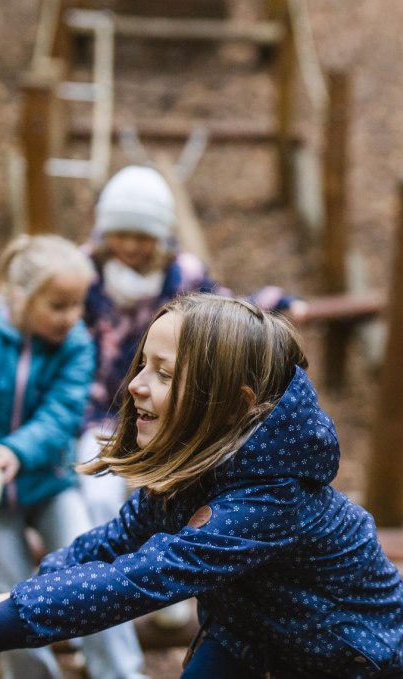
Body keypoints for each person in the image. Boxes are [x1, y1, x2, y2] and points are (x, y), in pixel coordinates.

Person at [0, 294, 403, 678]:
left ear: (231, 403)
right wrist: (24, 596)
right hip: (248, 630)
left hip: (349, 656)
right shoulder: (199, 460)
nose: (135, 384)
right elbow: (118, 542)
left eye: (164, 373)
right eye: (144, 365)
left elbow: (137, 579)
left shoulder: (268, 500)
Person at [0, 234, 147, 679]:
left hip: (51, 486)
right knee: (0, 597)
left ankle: (120, 671)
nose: (72, 317)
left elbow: (61, 418)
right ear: (21, 297)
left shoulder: (75, 346)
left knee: (94, 581)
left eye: (77, 305)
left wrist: (15, 451)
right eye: (58, 305)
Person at [76, 165, 306, 526]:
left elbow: (223, 312)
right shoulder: (84, 275)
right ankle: (104, 569)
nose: (132, 246)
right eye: (122, 234)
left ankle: (143, 564)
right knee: (100, 492)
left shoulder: (182, 274)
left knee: (158, 489)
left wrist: (277, 302)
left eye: (143, 236)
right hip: (98, 411)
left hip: (168, 405)